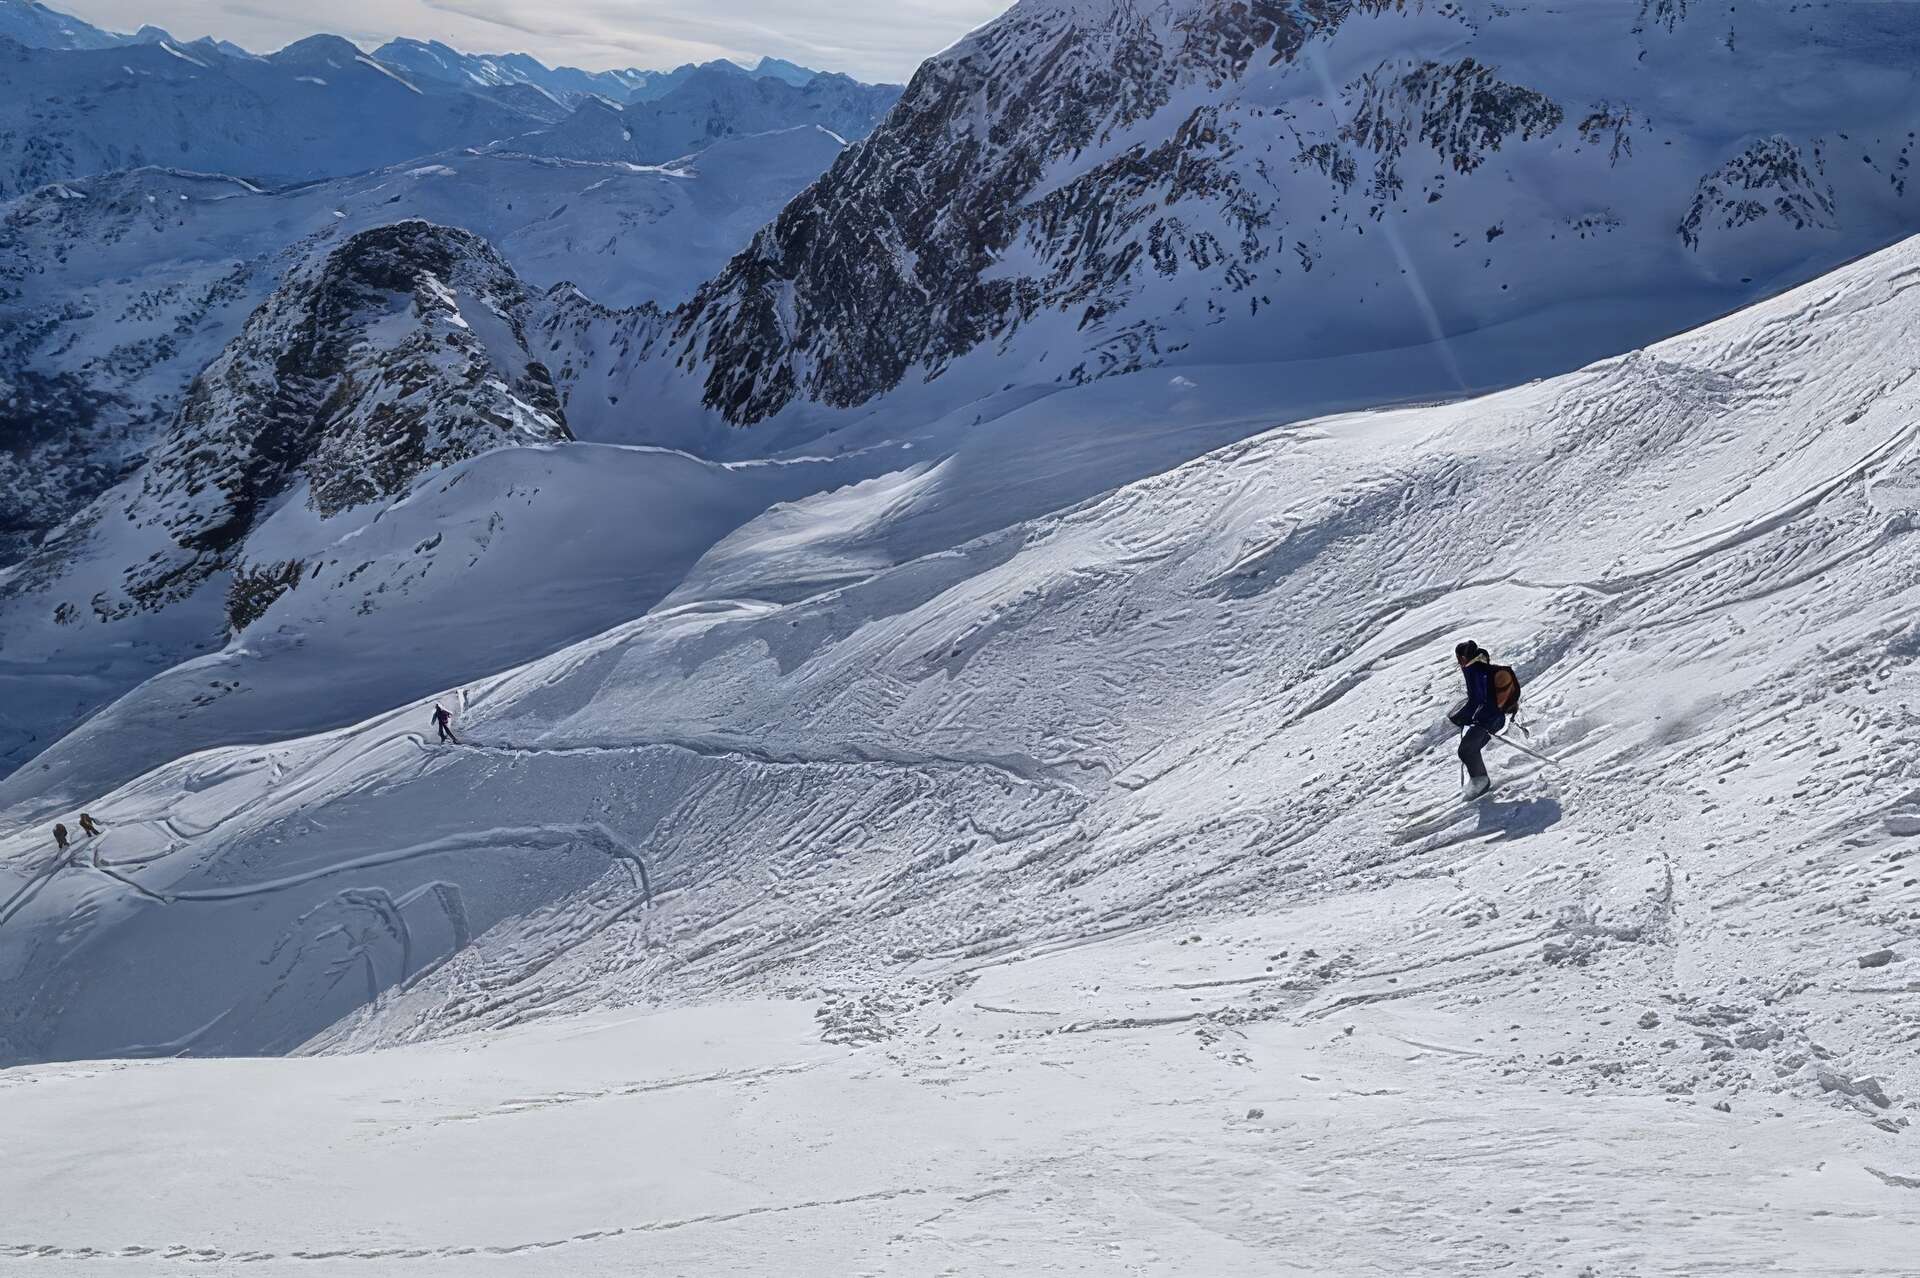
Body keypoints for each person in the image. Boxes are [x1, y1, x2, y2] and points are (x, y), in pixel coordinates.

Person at [1447, 639, 1505, 799]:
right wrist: (1462, 716)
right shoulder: (1475, 667)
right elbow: (1476, 699)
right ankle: (1479, 781)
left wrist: (1463, 717)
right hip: (1488, 717)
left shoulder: (1477, 670)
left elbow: (1480, 700)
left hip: (1490, 718)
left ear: (1464, 658)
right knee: (1467, 750)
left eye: (1458, 658)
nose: (1458, 662)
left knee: (1467, 750)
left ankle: (1481, 783)